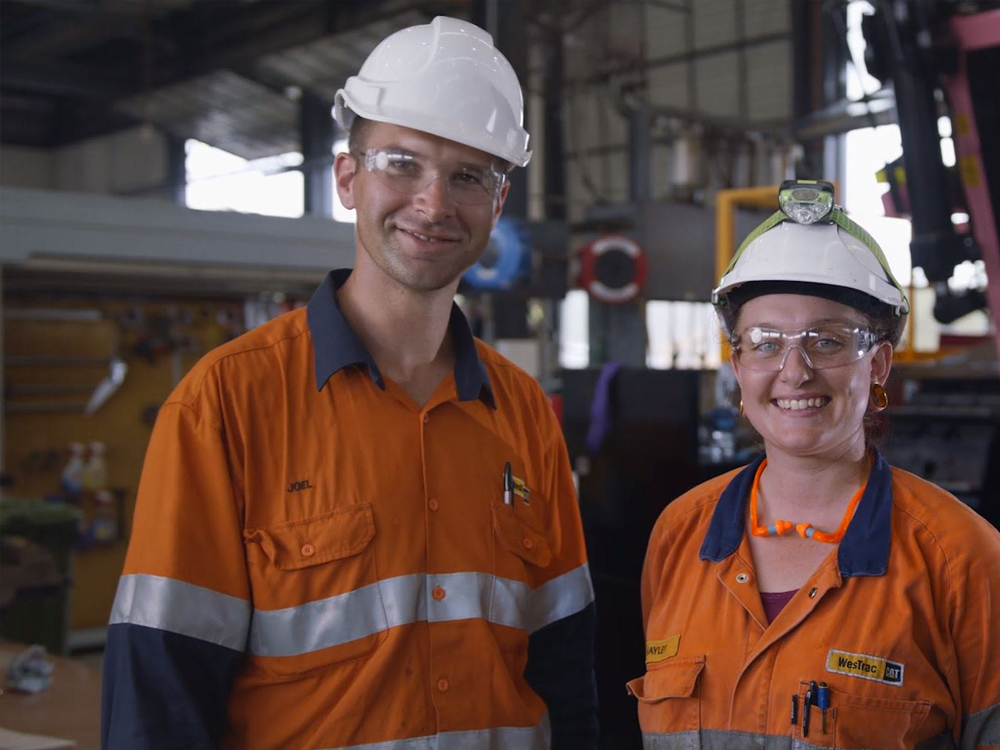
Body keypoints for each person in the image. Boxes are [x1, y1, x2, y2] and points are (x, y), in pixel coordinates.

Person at [102, 16, 597, 750]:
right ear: (347, 179)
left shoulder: (523, 413)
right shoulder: (226, 405)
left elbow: (565, 670)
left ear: (497, 204)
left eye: (468, 176)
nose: (433, 203)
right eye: (402, 162)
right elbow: (160, 695)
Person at [629, 181, 1000, 748]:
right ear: (737, 363)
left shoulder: (961, 560)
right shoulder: (680, 534)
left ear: (878, 364)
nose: (795, 371)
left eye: (827, 342)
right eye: (765, 341)